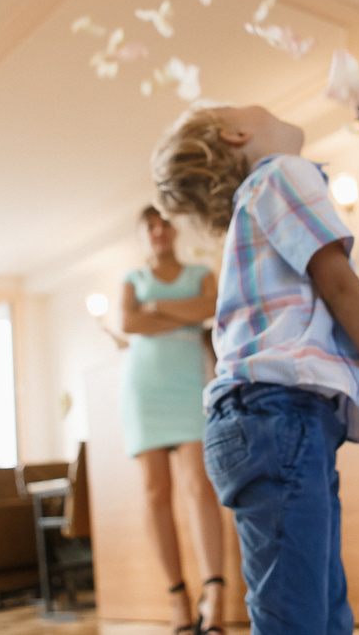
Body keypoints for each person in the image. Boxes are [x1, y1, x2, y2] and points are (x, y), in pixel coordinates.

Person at [150, 102, 359, 634]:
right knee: (299, 618)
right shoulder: (280, 175)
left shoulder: (256, 213)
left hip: (265, 421)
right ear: (238, 133)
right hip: (277, 419)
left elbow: (337, 341)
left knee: (316, 611)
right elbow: (342, 286)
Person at [119, 205, 225, 634]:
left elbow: (211, 307)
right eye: (150, 226)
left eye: (164, 223)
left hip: (191, 389)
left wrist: (158, 308)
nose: (159, 231)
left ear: (175, 228)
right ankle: (177, 595)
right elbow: (128, 321)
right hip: (145, 391)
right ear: (143, 234)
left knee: (200, 488)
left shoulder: (200, 272)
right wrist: (185, 311)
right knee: (155, 491)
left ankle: (215, 592)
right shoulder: (132, 279)